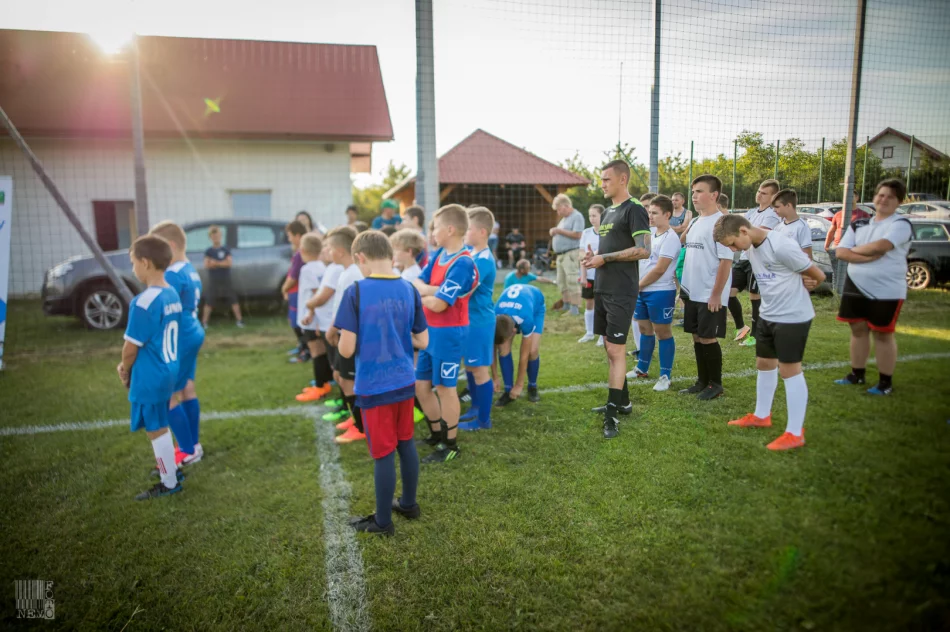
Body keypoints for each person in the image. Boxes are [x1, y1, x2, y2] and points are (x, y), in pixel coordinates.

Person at [335, 230, 428, 536]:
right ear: (390, 254)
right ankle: (409, 504)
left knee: (383, 453)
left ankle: (383, 522)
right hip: (404, 380)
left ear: (360, 258)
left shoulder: (356, 291)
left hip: (374, 386)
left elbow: (346, 349)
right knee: (406, 443)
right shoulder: (409, 288)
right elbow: (423, 340)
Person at [714, 213, 826, 450]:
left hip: (792, 316)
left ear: (744, 231)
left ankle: (795, 433)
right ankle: (761, 416)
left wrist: (810, 282)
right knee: (764, 364)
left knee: (790, 371)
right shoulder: (751, 244)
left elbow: (817, 275)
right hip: (768, 314)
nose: (734, 250)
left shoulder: (781, 245)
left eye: (733, 244)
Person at [581, 159, 651, 439]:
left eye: (606, 179)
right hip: (603, 288)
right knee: (609, 347)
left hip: (622, 289)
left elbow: (644, 250)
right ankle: (624, 402)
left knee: (616, 350)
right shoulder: (608, 211)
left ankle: (612, 411)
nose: (602, 184)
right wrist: (593, 259)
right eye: (601, 179)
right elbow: (606, 251)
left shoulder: (634, 210)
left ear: (623, 179)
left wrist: (605, 258)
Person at [118, 235, 183, 500]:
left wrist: (124, 368)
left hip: (151, 373)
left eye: (133, 262)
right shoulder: (171, 293)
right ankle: (172, 468)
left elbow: (131, 346)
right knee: (160, 422)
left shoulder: (144, 301)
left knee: (155, 427)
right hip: (168, 368)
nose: (132, 268)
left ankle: (169, 482)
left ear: (145, 263)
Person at [412, 204, 478, 464]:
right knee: (422, 386)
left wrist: (426, 293)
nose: (432, 232)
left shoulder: (463, 263)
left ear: (450, 229)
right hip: (429, 332)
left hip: (449, 334)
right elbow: (417, 283)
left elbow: (440, 304)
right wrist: (432, 289)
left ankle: (450, 445)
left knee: (445, 388)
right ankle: (436, 434)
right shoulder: (439, 255)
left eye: (435, 227)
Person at [833, 179, 912, 396]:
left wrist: (854, 251)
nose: (884, 199)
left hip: (886, 290)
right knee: (857, 330)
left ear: (899, 202)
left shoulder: (900, 224)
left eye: (890, 197)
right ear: (875, 196)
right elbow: (840, 252)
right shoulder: (859, 224)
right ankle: (856, 374)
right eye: (881, 194)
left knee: (882, 334)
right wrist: (865, 254)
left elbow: (882, 246)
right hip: (855, 285)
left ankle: (885, 382)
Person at [149, 221, 206, 467]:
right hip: (192, 329)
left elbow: (164, 306)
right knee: (186, 388)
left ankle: (186, 449)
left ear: (171, 246)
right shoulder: (189, 268)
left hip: (179, 334)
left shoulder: (171, 273)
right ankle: (192, 445)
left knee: (167, 394)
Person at [679, 174, 733, 401]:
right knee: (696, 336)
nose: (694, 196)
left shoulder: (723, 223)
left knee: (708, 338)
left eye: (699, 191)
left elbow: (726, 261)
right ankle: (702, 381)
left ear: (714, 195)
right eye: (693, 192)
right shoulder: (695, 221)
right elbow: (684, 242)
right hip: (692, 291)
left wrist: (716, 295)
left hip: (710, 294)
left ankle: (715, 384)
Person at [627, 195, 681, 392]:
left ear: (667, 214)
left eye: (654, 213)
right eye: (649, 212)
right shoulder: (649, 233)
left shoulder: (671, 238)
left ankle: (665, 375)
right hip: (641, 289)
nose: (650, 216)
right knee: (644, 330)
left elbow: (659, 270)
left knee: (662, 333)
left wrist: (638, 286)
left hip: (660, 291)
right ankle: (642, 368)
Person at [458, 207, 498, 432]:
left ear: (482, 232)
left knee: (480, 369)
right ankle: (475, 408)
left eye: (469, 228)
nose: (465, 231)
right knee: (472, 367)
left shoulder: (483, 259)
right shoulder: (472, 253)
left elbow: (464, 290)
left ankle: (483, 420)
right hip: (469, 320)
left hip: (479, 322)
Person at [326, 226, 366, 443]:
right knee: (341, 378)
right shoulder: (345, 272)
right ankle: (355, 418)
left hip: (351, 335)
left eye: (330, 247)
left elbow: (348, 308)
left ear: (340, 250)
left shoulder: (353, 274)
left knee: (349, 381)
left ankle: (361, 427)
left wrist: (333, 328)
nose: (328, 251)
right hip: (343, 333)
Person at [729, 179, 781, 346]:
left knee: (755, 296)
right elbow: (740, 231)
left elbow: (758, 235)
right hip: (745, 258)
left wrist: (741, 238)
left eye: (764, 193)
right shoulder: (751, 212)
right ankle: (741, 328)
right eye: (759, 191)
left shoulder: (772, 214)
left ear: (773, 197)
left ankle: (757, 337)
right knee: (728, 292)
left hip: (759, 260)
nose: (759, 194)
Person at [295, 234, 333, 403]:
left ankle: (320, 386)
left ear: (302, 251)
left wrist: (310, 314)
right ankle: (324, 382)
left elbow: (314, 292)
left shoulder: (307, 269)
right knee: (322, 352)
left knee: (316, 352)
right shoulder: (322, 267)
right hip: (320, 317)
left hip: (310, 318)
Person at [494, 283, 545, 406]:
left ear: (514, 331)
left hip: (535, 306)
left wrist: (519, 384)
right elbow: (492, 348)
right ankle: (507, 390)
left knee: (532, 351)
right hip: (514, 305)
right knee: (503, 348)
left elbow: (524, 355)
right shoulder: (494, 316)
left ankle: (532, 386)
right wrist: (494, 377)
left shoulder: (526, 319)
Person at [201, 225, 244, 328]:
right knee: (209, 300)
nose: (216, 238)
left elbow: (228, 263)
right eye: (213, 236)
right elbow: (207, 264)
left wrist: (215, 263)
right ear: (210, 237)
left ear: (220, 236)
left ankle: (240, 321)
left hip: (226, 279)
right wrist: (220, 263)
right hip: (214, 280)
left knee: (233, 299)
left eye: (217, 235)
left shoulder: (226, 249)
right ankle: (204, 322)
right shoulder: (209, 251)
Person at [550, 194, 585, 316]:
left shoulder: (577, 216)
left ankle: (574, 308)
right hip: (560, 255)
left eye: (559, 209)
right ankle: (566, 304)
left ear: (566, 205)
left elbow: (578, 234)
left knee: (572, 279)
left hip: (571, 253)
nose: (558, 212)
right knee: (561, 281)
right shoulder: (564, 219)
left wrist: (558, 231)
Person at [281, 221, 309, 363]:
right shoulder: (300, 252)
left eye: (290, 235)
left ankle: (305, 351)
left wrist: (284, 288)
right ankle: (302, 348)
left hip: (297, 292)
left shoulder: (300, 254)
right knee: (295, 321)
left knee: (297, 323)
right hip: (295, 292)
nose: (289, 238)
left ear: (298, 235)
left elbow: (293, 276)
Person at [578, 204, 603, 345]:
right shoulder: (586, 232)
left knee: (601, 304)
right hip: (589, 274)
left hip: (603, 275)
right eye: (590, 215)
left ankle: (601, 335)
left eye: (594, 215)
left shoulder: (607, 232)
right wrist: (583, 274)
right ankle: (589, 332)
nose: (591, 218)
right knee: (589, 303)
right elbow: (582, 254)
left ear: (602, 216)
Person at [771, 189, 813, 258]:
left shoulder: (802, 227)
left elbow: (808, 256)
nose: (774, 210)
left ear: (788, 205)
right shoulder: (777, 227)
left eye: (777, 207)